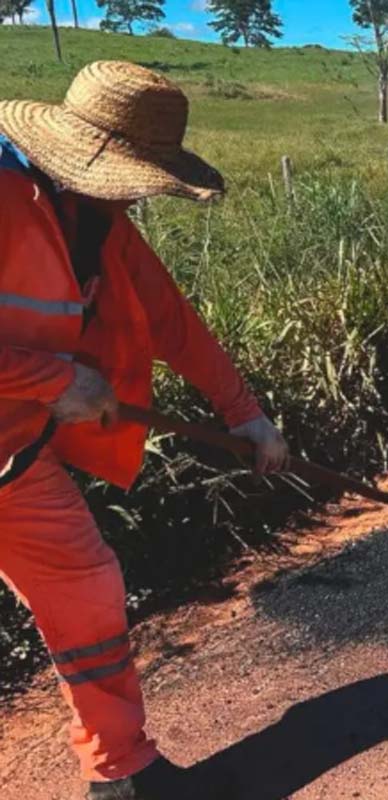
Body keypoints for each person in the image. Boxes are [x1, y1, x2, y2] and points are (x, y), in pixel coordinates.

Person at [0, 61, 289, 799]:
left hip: (11, 457)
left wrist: (244, 413)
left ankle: (120, 770)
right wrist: (54, 381)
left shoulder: (95, 218)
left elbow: (171, 321)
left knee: (88, 591)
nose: (139, 193)